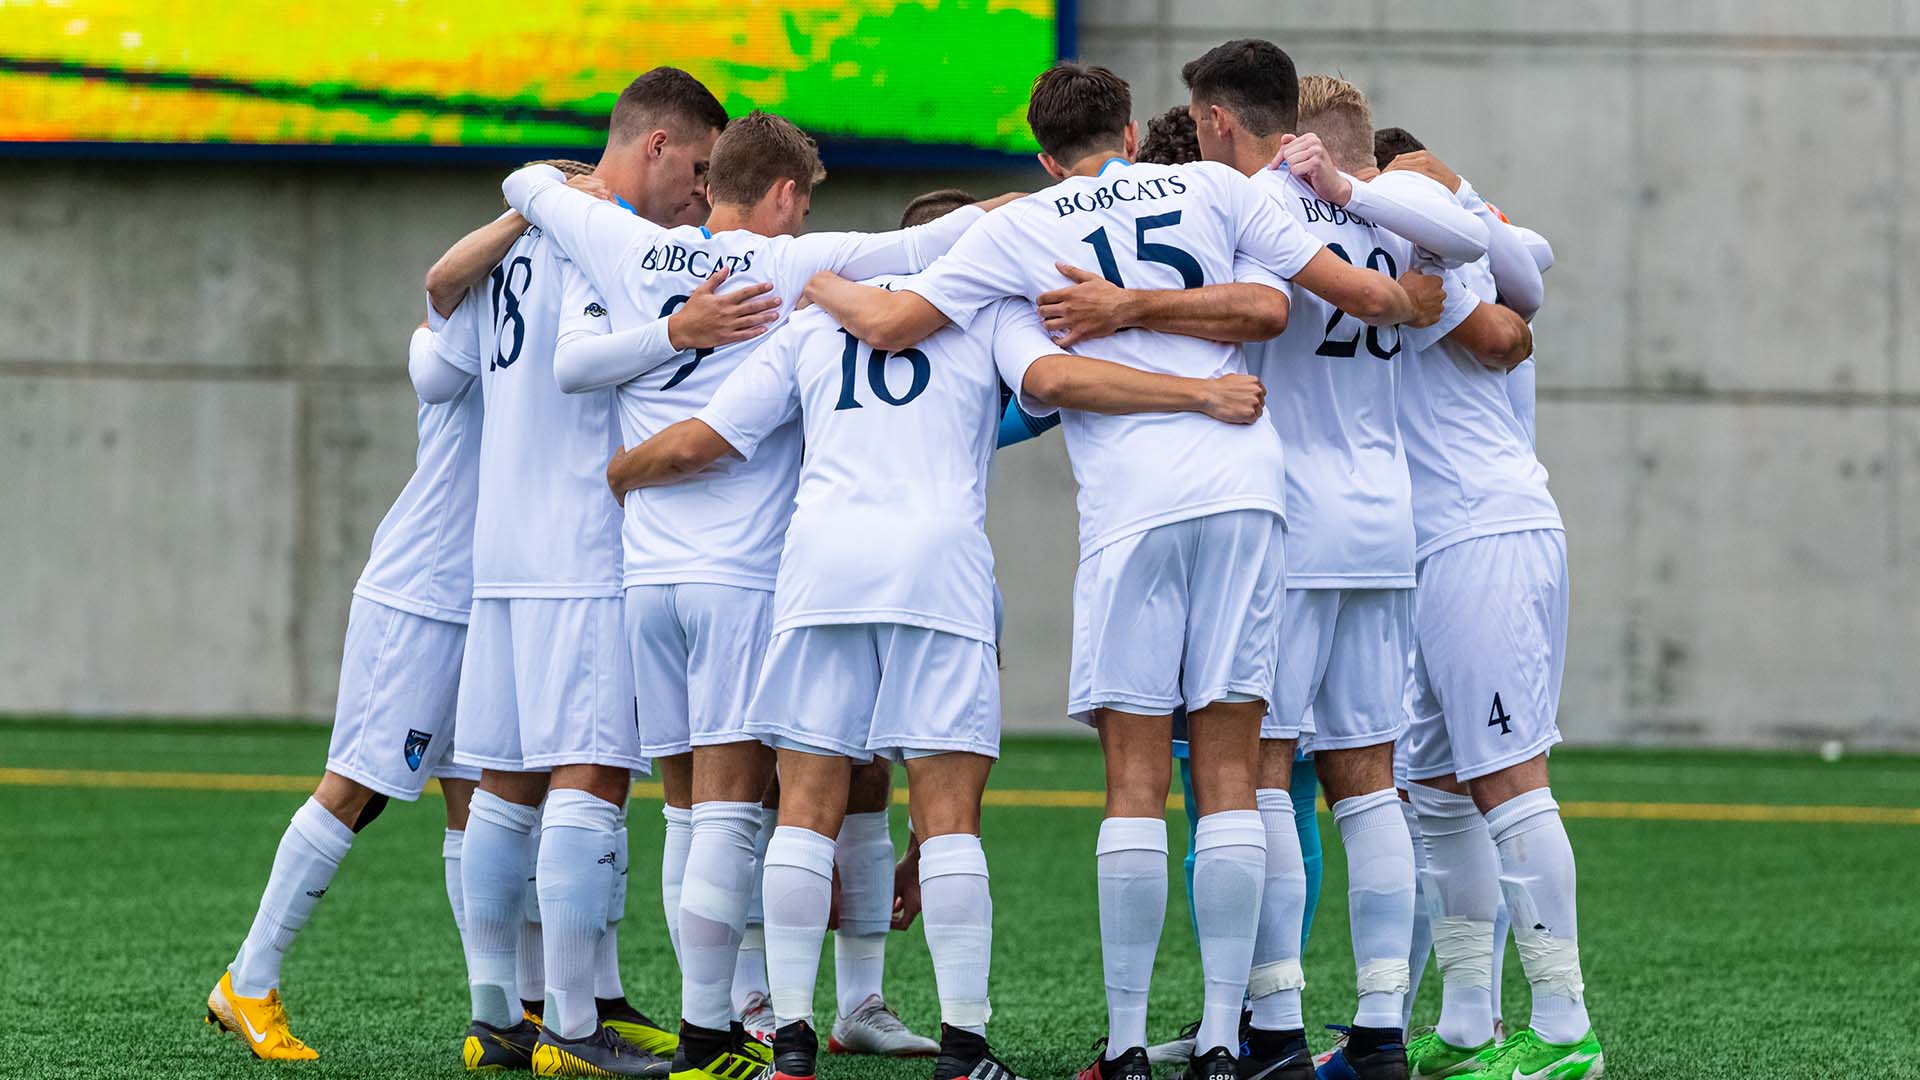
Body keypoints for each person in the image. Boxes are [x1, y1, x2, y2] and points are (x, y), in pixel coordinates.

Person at [803, 60, 1440, 1080]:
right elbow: (1280, 310)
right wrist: (1414, 288)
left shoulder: (1021, 228)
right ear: (1136, 132)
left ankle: (1132, 1044)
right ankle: (1233, 1044)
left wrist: (810, 273)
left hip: (1135, 507)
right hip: (1247, 488)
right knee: (1234, 774)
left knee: (1136, 781)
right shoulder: (1219, 188)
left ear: (1047, 156)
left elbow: (916, 334)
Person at [600, 175, 1271, 1080]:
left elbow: (704, 439)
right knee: (949, 815)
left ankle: (791, 1039)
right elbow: (1055, 381)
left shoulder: (810, 322)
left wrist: (618, 468)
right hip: (939, 573)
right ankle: (964, 1046)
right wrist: (1198, 397)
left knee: (803, 808)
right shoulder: (991, 319)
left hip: (823, 571)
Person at [499, 110, 1015, 1080]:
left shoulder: (622, 242)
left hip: (646, 575)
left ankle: (709, 1012)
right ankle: (713, 1033)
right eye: (804, 200)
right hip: (744, 573)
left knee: (687, 812)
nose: (804, 215)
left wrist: (569, 193)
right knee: (741, 813)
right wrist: (1065, 195)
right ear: (782, 194)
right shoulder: (796, 264)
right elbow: (941, 236)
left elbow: (524, 184)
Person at [413, 68, 760, 1077]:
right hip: (582, 544)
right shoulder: (603, 240)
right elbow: (584, 363)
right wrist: (679, 330)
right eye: (695, 170)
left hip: (502, 551)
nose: (700, 195)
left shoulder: (522, 236)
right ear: (653, 146)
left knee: (504, 786)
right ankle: (573, 1027)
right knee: (592, 777)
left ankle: (498, 1018)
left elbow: (446, 344)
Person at [1177, 47, 1497, 1080]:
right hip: (1384, 525)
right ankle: (1379, 1029)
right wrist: (1367, 205)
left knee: (1264, 771)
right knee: (1368, 782)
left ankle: (1270, 1024)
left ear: (1241, 123)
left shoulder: (1258, 203)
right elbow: (1482, 244)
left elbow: (1254, 312)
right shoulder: (1383, 214)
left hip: (1293, 520)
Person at [202, 318, 484, 1062]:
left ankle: (503, 1009)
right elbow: (433, 313)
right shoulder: (459, 333)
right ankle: (248, 981)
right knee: (355, 789)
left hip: (488, 603)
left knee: (478, 803)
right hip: (420, 599)